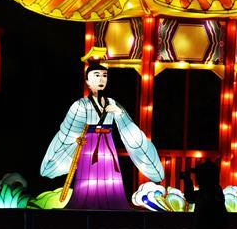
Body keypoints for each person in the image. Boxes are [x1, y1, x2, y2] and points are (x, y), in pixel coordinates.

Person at [41, 61, 164, 209]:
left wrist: (119, 113)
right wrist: (76, 139)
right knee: (88, 179)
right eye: (96, 75)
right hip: (89, 146)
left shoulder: (112, 102)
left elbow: (127, 126)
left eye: (104, 76)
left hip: (107, 144)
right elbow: (69, 130)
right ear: (87, 81)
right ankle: (85, 202)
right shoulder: (81, 105)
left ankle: (113, 202)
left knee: (110, 177)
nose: (101, 79)